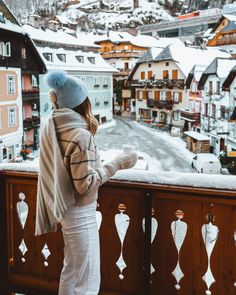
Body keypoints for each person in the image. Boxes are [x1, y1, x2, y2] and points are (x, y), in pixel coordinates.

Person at [35, 70, 137, 295]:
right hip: (81, 213)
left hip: (65, 210)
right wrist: (118, 163)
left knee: (71, 271)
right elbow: (85, 184)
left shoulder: (52, 126)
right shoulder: (80, 135)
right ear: (81, 103)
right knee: (88, 281)